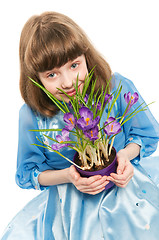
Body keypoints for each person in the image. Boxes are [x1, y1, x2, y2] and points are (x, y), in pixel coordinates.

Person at [1, 11, 159, 240]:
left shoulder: (116, 87)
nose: (68, 82)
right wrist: (69, 175)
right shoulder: (32, 116)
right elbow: (30, 172)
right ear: (35, 78)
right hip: (71, 212)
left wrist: (125, 155)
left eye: (74, 65)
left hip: (130, 194)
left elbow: (143, 135)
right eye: (52, 74)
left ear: (86, 56)